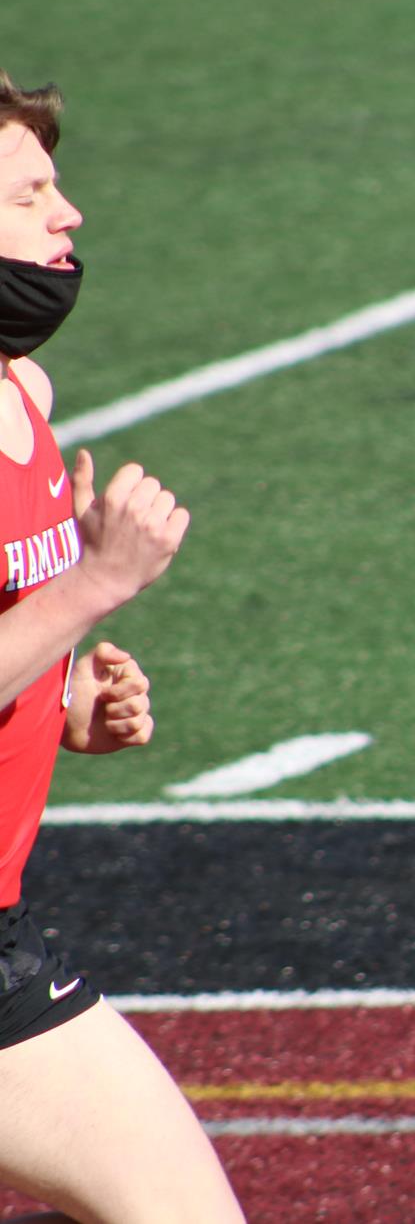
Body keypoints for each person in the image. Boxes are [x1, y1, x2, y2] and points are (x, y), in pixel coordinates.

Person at [0, 72, 243, 1222]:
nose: (70, 214)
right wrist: (95, 586)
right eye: (30, 192)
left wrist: (61, 694)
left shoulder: (22, 390)